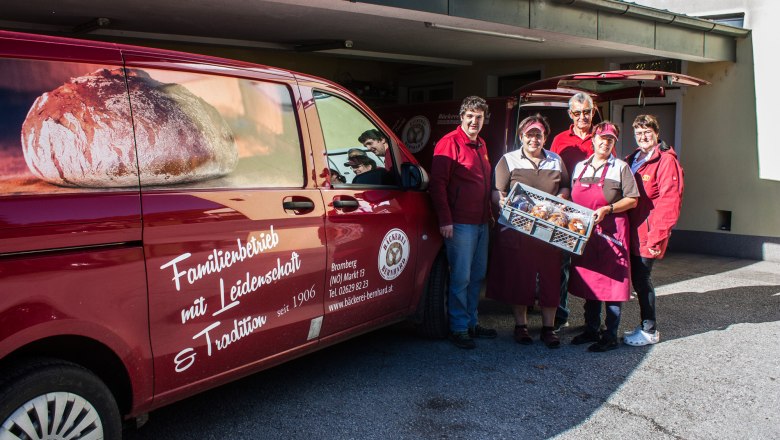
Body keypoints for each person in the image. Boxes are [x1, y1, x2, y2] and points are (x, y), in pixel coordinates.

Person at [486, 114, 570, 349]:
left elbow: (565, 186)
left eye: (539, 135)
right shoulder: (508, 160)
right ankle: (521, 326)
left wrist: (562, 197)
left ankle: (548, 328)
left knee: (550, 277)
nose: (534, 139)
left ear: (545, 137)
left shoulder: (555, 160)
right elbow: (497, 191)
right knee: (520, 277)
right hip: (518, 228)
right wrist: (501, 201)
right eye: (529, 134)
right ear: (521, 136)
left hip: (549, 229)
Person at [429, 96, 497, 349]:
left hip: (480, 222)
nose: (474, 121)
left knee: (477, 276)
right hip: (459, 223)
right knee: (460, 278)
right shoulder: (449, 143)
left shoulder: (481, 144)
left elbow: (484, 184)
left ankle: (471, 322)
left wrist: (489, 214)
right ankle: (458, 328)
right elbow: (438, 185)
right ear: (462, 117)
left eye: (479, 117)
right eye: (470, 116)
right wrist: (445, 220)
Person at [568, 121, 639, 352]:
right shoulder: (580, 167)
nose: (605, 142)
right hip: (586, 233)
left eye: (610, 140)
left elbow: (632, 199)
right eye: (602, 138)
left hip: (612, 232)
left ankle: (609, 334)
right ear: (593, 139)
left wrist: (608, 209)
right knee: (590, 280)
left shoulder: (620, 167)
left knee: (611, 283)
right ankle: (591, 328)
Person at [623, 114, 684, 346]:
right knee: (637, 280)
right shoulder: (634, 158)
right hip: (632, 231)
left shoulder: (666, 161)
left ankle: (650, 329)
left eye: (647, 132)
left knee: (642, 279)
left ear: (656, 133)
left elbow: (670, 202)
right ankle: (644, 325)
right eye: (639, 133)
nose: (643, 137)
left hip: (648, 234)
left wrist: (656, 237)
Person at [549, 92, 597, 330]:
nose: (582, 117)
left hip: (593, 212)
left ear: (593, 110)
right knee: (561, 265)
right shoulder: (559, 140)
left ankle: (592, 320)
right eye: (577, 113)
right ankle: (560, 315)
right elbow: (552, 172)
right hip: (566, 210)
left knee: (592, 265)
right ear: (570, 114)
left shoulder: (602, 137)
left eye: (586, 112)